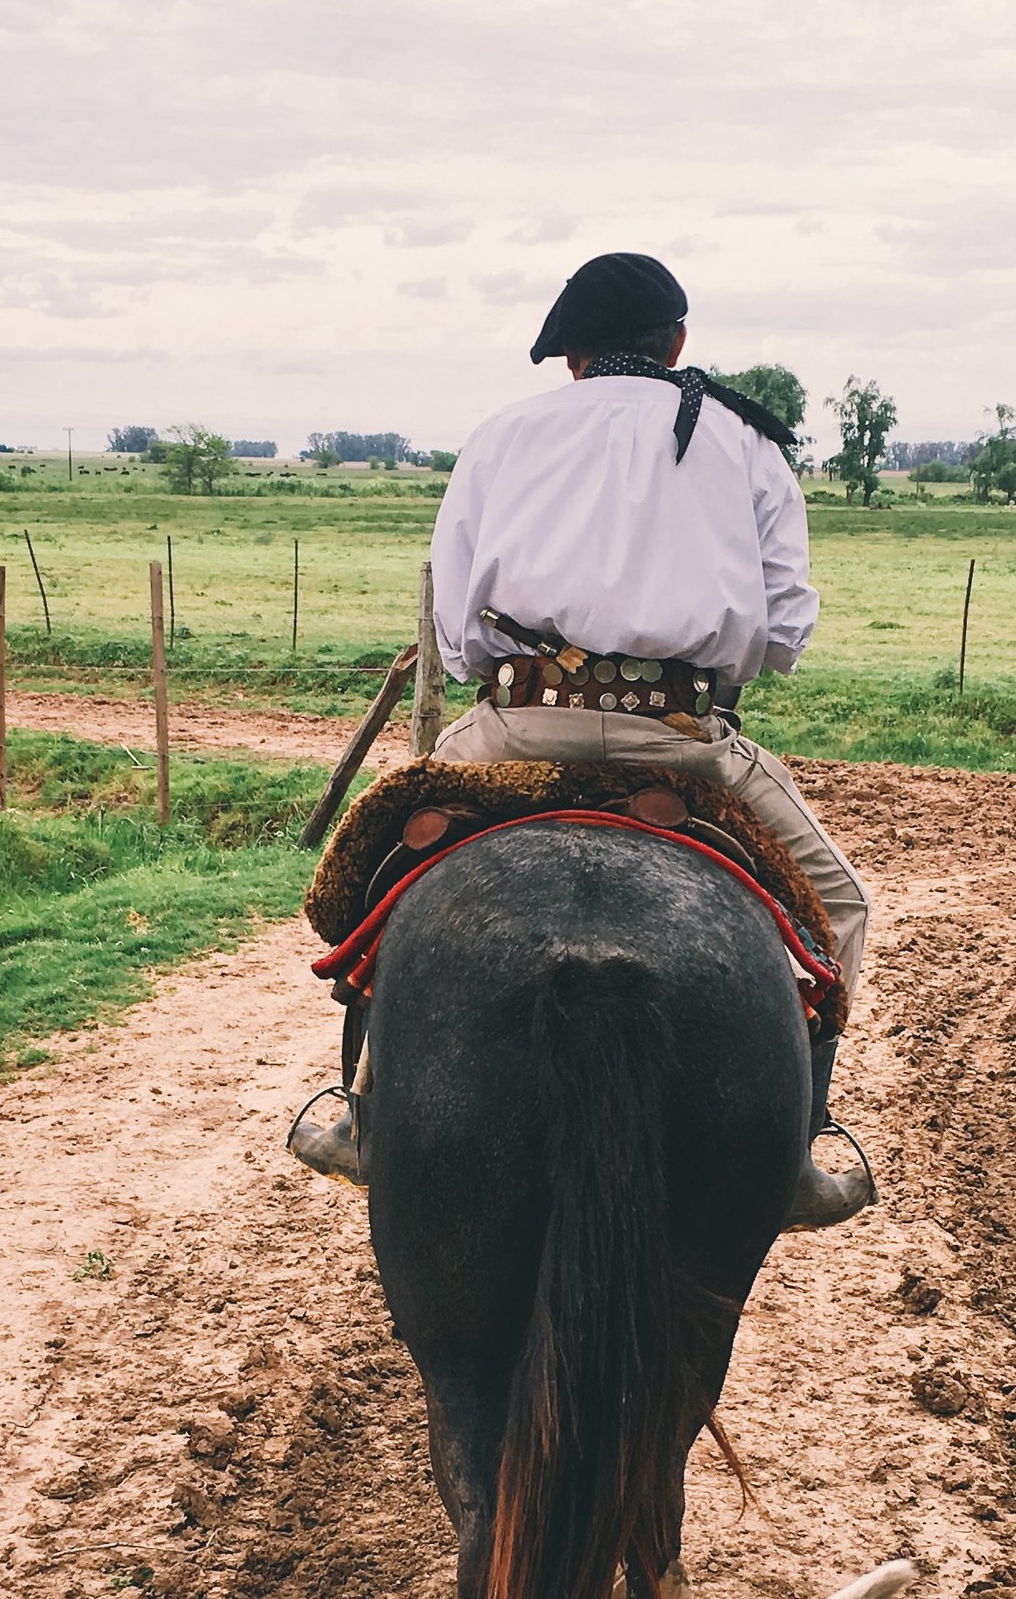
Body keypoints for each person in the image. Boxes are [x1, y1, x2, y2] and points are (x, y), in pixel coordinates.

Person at [291, 249, 874, 1228]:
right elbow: (781, 640)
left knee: (390, 871)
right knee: (841, 907)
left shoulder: (502, 435)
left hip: (515, 728)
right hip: (683, 740)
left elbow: (457, 628)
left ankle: (364, 1110)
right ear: (676, 343)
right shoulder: (744, 442)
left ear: (569, 358)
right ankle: (801, 1143)